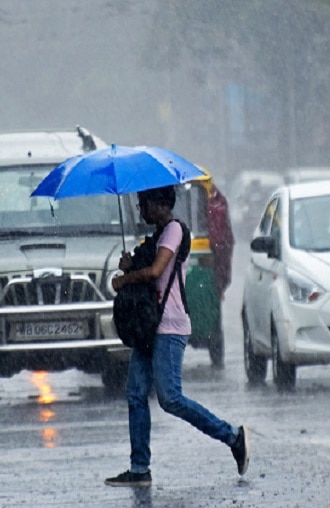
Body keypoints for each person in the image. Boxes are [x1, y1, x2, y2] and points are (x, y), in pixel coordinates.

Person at [104, 185, 249, 488]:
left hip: (169, 325)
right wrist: (131, 263)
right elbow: (148, 264)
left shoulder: (174, 231)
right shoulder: (156, 236)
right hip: (148, 326)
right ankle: (139, 467)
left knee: (171, 399)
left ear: (160, 204)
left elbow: (157, 270)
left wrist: (125, 278)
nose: (140, 210)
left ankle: (233, 437)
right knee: (135, 394)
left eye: (143, 204)